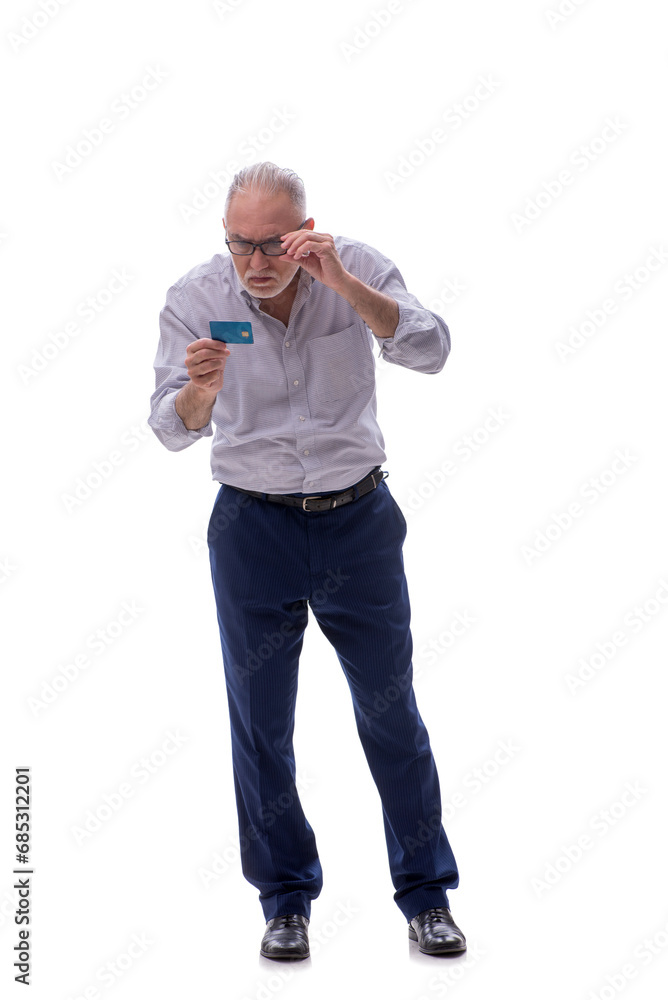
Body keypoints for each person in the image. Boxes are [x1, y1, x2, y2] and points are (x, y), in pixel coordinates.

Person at [148, 161, 466, 961]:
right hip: (252, 530)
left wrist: (346, 286)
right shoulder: (197, 299)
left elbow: (432, 349)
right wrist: (200, 393)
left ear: (304, 229)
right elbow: (169, 426)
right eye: (239, 244)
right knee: (260, 725)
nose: (255, 262)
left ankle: (426, 896)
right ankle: (284, 899)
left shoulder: (351, 265)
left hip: (356, 522)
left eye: (272, 243)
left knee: (391, 711)